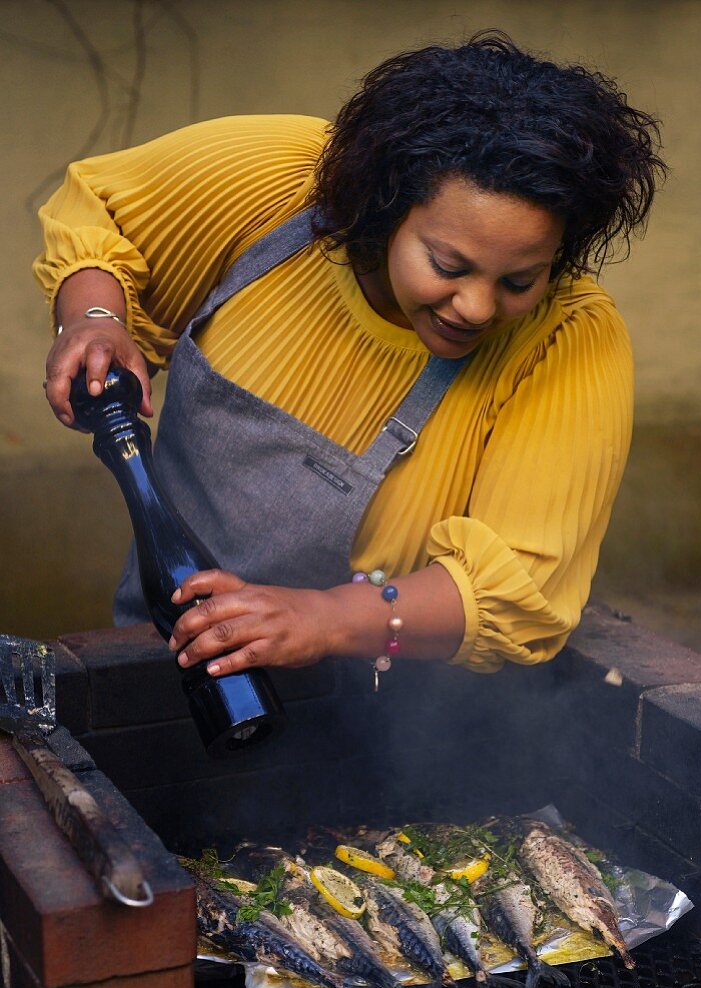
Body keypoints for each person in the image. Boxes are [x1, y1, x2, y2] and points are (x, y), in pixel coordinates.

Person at [34, 32, 665, 686]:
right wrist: (93, 318)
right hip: (160, 657)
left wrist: (326, 618)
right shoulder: (279, 182)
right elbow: (103, 207)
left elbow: (520, 589)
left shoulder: (566, 336)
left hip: (381, 718)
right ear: (382, 208)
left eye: (517, 280)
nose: (476, 307)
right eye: (448, 265)